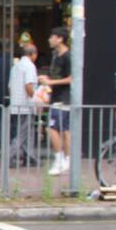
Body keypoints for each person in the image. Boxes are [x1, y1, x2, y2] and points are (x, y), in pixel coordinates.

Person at [38, 27, 72, 176]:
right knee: (64, 130)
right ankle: (65, 160)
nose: (49, 39)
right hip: (56, 97)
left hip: (63, 98)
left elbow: (72, 78)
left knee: (52, 129)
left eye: (52, 37)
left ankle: (60, 160)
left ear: (60, 39)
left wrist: (51, 82)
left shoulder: (68, 57)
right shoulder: (54, 55)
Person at [7, 44, 40, 167]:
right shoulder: (30, 67)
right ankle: (10, 156)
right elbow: (29, 86)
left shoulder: (16, 66)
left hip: (15, 104)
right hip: (26, 105)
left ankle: (29, 156)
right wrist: (36, 100)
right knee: (23, 133)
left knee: (27, 132)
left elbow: (10, 87)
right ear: (33, 54)